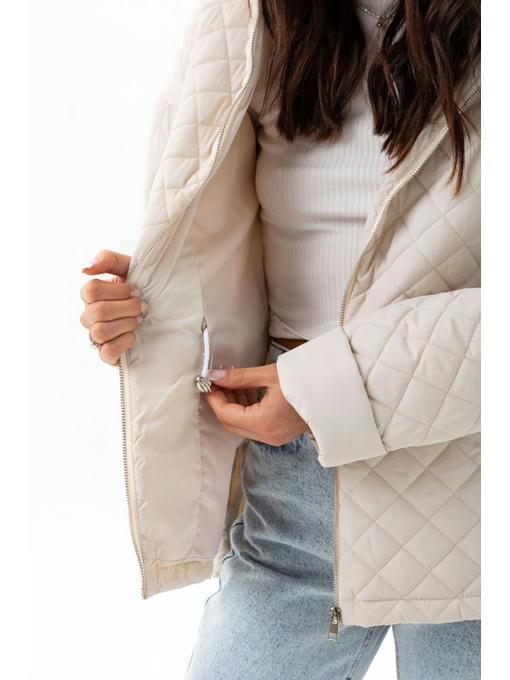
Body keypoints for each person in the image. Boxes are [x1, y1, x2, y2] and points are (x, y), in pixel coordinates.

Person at [79, 0, 481, 677]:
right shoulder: (248, 19)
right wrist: (147, 305)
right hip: (293, 485)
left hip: (474, 495)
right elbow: (218, 237)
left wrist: (327, 388)